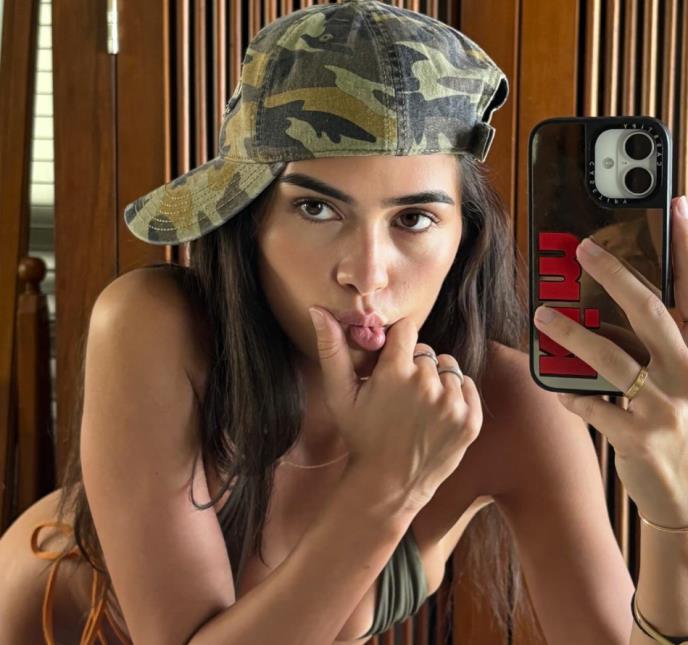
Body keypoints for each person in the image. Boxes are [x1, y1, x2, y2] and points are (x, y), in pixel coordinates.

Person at [1, 1, 687, 643]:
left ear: (464, 236)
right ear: (249, 221)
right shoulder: (155, 328)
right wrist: (388, 482)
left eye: (413, 218)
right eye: (316, 209)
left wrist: (674, 517)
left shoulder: (508, 406)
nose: (367, 272)